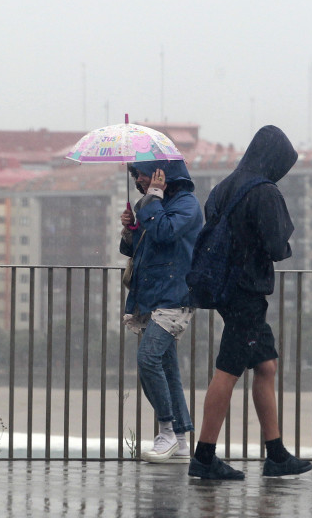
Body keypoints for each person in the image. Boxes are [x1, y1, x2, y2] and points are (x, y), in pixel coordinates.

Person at [188, 125, 312, 480]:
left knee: (266, 365)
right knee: (227, 371)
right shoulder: (264, 191)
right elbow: (276, 245)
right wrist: (282, 245)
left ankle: (275, 454)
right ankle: (204, 457)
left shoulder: (224, 187)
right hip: (248, 291)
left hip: (227, 288)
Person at [120, 159, 202, 463]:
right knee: (167, 367)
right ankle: (180, 439)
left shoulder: (186, 203)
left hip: (176, 295)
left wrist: (151, 200)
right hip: (153, 296)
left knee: (148, 359)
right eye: (137, 176)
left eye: (144, 175)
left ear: (163, 174)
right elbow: (141, 248)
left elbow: (167, 232)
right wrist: (130, 230)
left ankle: (166, 431)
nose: (140, 181)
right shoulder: (152, 203)